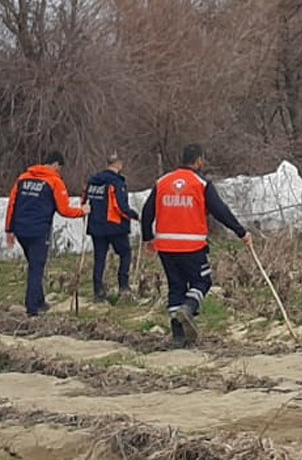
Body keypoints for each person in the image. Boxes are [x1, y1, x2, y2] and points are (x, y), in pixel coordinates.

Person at [140, 143, 251, 348]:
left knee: (176, 287)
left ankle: (178, 337)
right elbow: (220, 211)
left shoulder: (162, 182)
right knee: (203, 282)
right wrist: (240, 231)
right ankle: (189, 308)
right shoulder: (201, 183)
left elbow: (147, 212)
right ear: (199, 160)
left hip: (165, 246)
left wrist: (148, 238)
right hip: (192, 246)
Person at [5, 151, 86, 317]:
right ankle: (32, 309)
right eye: (60, 168)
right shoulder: (54, 182)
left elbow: (12, 204)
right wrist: (82, 211)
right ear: (56, 164)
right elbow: (64, 210)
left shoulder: (23, 179)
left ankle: (40, 300)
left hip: (21, 230)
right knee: (37, 268)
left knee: (34, 265)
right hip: (39, 231)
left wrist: (9, 229)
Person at [84, 152, 140, 303]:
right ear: (119, 164)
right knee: (125, 253)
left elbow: (84, 201)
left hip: (96, 225)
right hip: (114, 225)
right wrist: (134, 215)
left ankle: (98, 291)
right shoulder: (116, 182)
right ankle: (123, 286)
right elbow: (120, 206)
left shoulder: (93, 181)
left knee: (99, 258)